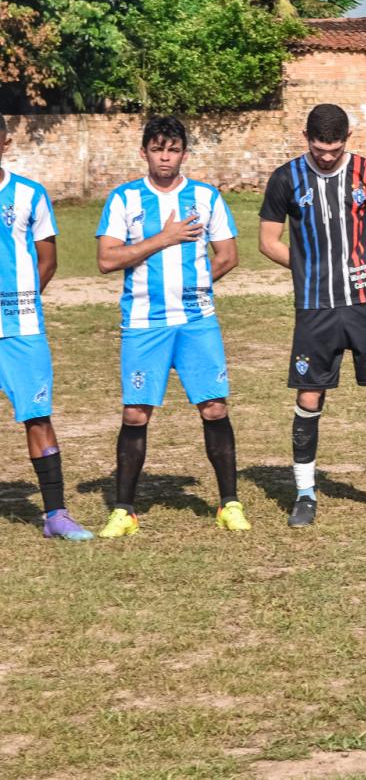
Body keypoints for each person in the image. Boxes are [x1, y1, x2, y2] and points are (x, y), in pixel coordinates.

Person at [260, 103, 366, 526]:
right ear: (307, 138)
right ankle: (305, 494)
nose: (326, 156)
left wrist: (352, 263)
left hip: (365, 302)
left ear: (347, 140)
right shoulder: (286, 178)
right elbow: (269, 240)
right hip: (315, 307)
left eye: (334, 148)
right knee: (309, 395)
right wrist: (309, 269)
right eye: (319, 148)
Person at [95, 116, 247, 538]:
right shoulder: (124, 199)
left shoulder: (206, 196)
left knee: (214, 407)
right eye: (158, 148)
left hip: (197, 322)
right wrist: (164, 238)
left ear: (184, 153)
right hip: (144, 323)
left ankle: (229, 504)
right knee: (136, 412)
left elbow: (228, 255)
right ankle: (124, 511)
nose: (166, 156)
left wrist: (193, 286)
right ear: (143, 152)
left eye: (173, 149)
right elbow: (107, 260)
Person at [0, 118, 93, 541]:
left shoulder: (29, 194)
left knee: (37, 416)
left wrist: (20, 300)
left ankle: (55, 513)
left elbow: (47, 260)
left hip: (21, 326)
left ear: (5, 142)